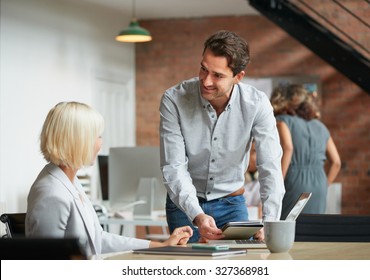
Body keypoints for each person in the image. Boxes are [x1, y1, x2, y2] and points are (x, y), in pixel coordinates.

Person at [159, 30, 285, 243]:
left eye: (217, 75)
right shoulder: (174, 99)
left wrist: (270, 222)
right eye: (203, 69)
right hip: (184, 206)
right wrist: (197, 215)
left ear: (238, 77)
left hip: (231, 204)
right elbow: (174, 166)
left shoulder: (257, 104)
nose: (206, 81)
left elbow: (270, 166)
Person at [26, 102, 192, 257]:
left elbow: (98, 239)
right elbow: (49, 262)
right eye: (97, 136)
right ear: (78, 141)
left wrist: (160, 246)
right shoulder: (52, 194)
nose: (101, 143)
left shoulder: (69, 182)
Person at [270, 84, 341, 219]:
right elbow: (336, 162)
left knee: (286, 227)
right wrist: (325, 185)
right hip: (319, 183)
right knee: (314, 228)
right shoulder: (320, 126)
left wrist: (277, 182)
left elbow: (288, 148)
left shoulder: (282, 121)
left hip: (293, 180)